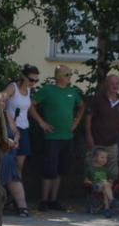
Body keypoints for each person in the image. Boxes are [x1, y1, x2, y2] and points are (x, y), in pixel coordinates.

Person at [28, 64, 84, 211]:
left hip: (67, 136)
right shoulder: (48, 90)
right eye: (67, 75)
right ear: (59, 76)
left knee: (60, 170)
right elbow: (31, 105)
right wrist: (42, 122)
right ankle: (44, 200)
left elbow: (82, 106)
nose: (70, 77)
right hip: (52, 137)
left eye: (70, 74)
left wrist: (76, 122)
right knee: (49, 170)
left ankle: (54, 200)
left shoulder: (73, 92)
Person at [85, 73, 119, 181]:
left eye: (117, 83)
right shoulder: (98, 98)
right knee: (96, 171)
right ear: (106, 84)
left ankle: (109, 195)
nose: (115, 86)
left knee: (113, 172)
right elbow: (88, 118)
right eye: (112, 84)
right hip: (97, 141)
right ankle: (94, 195)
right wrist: (89, 136)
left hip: (112, 142)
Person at [3, 64, 39, 175]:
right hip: (11, 130)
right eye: (31, 80)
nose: (33, 83)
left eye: (36, 81)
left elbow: (29, 108)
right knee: (8, 162)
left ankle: (16, 187)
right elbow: (0, 100)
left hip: (24, 130)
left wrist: (41, 123)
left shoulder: (29, 91)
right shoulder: (13, 87)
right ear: (24, 76)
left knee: (19, 166)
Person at [86, 146, 115, 217]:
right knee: (105, 184)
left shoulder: (106, 169)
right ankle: (112, 200)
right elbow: (86, 181)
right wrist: (93, 183)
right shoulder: (90, 169)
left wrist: (110, 184)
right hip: (95, 186)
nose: (105, 160)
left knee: (105, 188)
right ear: (95, 158)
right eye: (102, 157)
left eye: (106, 158)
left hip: (104, 187)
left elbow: (111, 180)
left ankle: (107, 209)